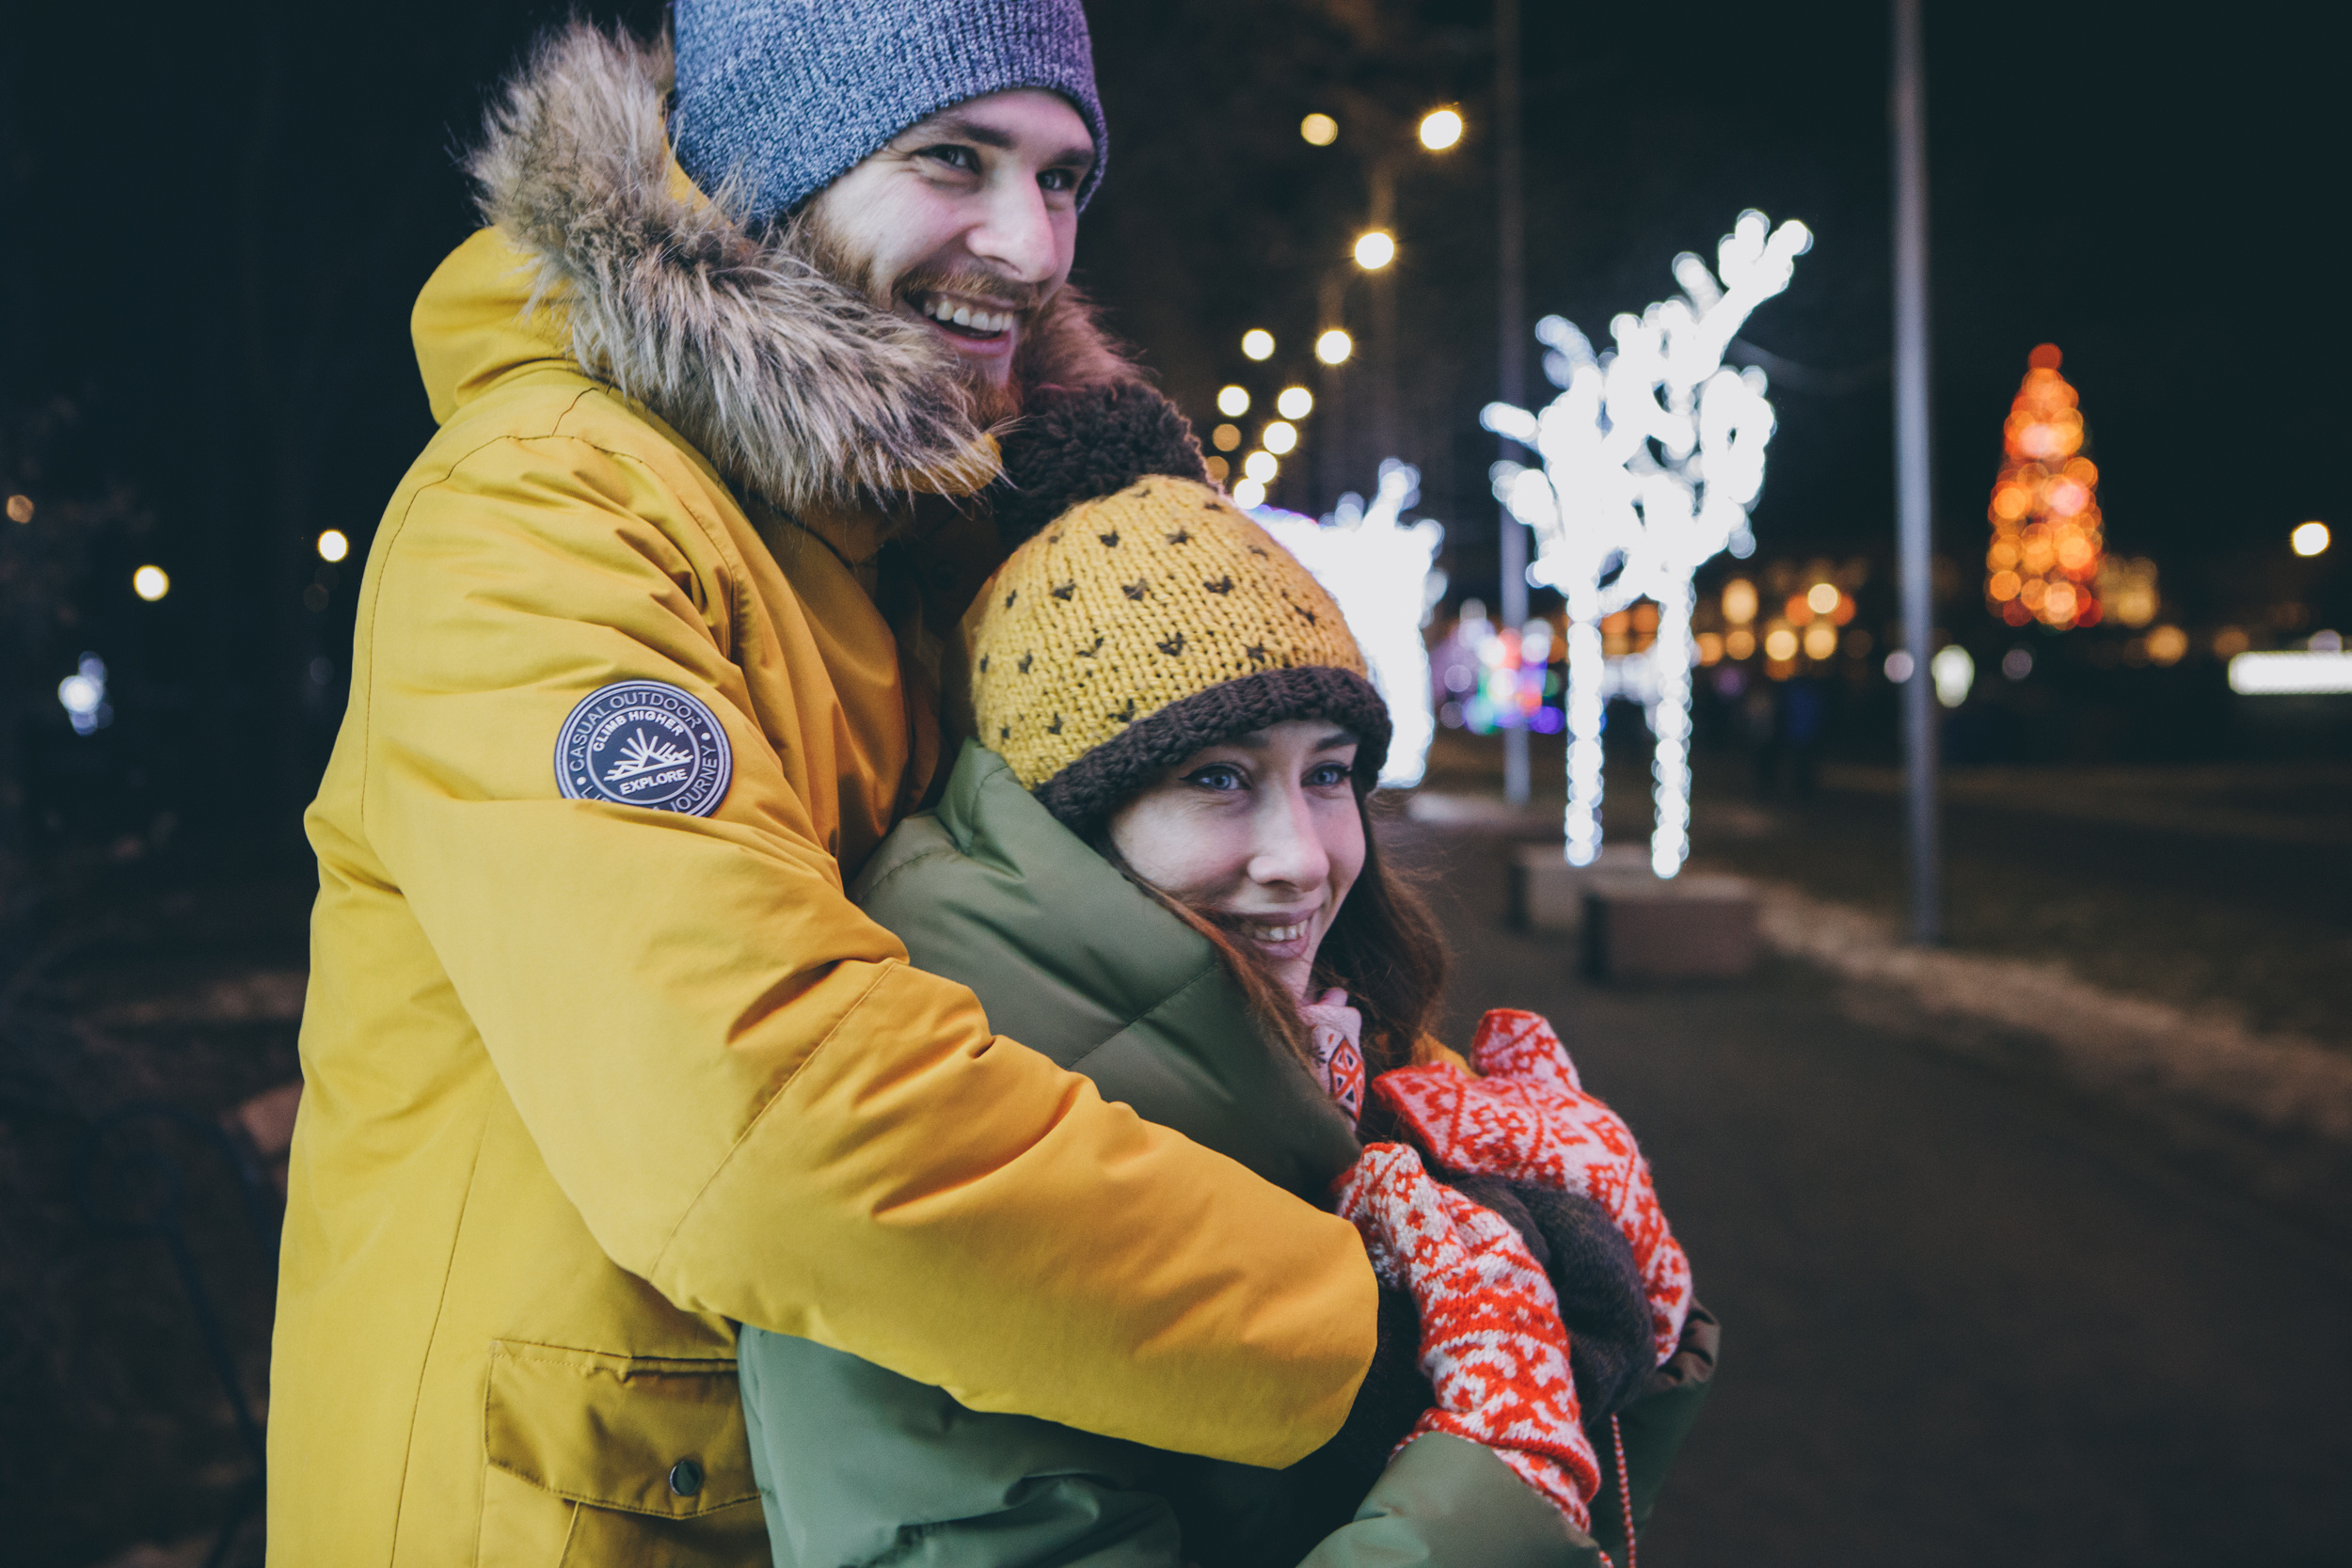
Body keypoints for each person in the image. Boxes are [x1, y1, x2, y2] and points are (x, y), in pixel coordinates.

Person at [273, 9, 1392, 1561]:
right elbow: (758, 1115)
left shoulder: (918, 545)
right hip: (568, 1514)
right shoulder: (542, 519)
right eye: (954, 158)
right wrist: (1353, 1311)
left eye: (1066, 179)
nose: (1030, 242)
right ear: (761, 168)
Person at [739, 392, 1720, 1568]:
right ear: (1071, 813)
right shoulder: (948, 1128)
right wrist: (1502, 1468)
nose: (1305, 856)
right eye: (1216, 777)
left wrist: (1604, 1307)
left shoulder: (1337, 1060)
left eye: (1330, 773)